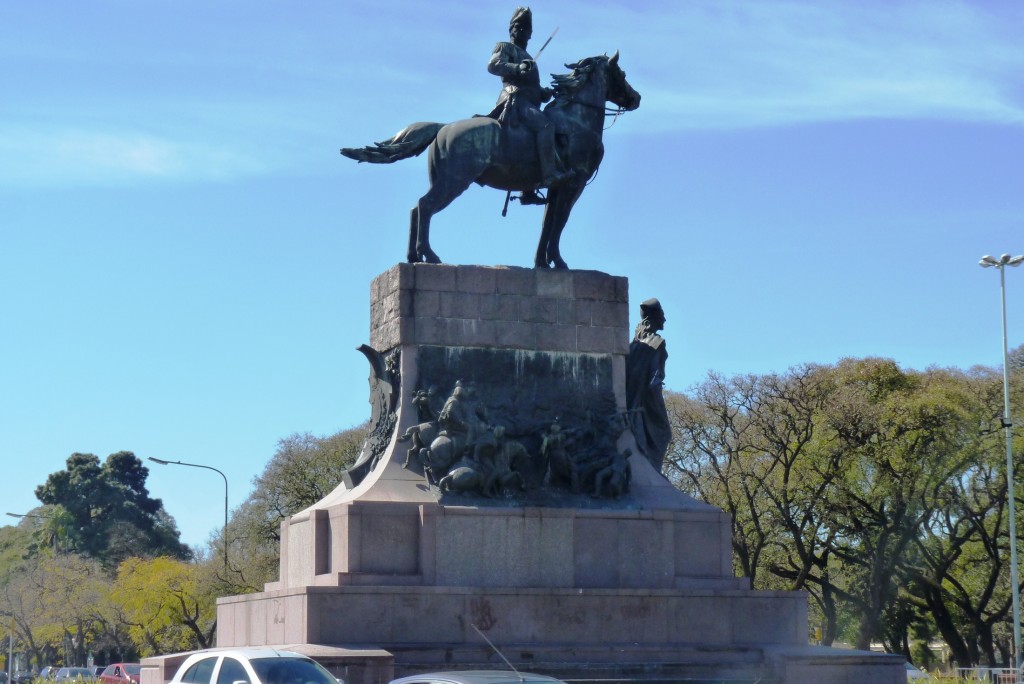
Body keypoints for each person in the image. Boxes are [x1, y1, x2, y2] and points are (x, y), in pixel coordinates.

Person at [487, 7, 572, 205]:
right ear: (511, 30)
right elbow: (493, 65)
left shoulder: (528, 57)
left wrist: (544, 93)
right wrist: (517, 67)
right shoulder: (504, 47)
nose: (521, 32)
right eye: (518, 27)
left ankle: (527, 192)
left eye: (525, 29)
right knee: (545, 126)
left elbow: (532, 88)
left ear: (530, 34)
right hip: (514, 100)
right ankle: (549, 175)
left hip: (528, 102)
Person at [625, 298, 671, 472]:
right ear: (654, 316)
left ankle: (650, 470)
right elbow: (654, 373)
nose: (664, 319)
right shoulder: (655, 342)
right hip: (649, 396)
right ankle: (652, 471)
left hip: (634, 399)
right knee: (663, 432)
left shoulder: (634, 345)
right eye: (662, 315)